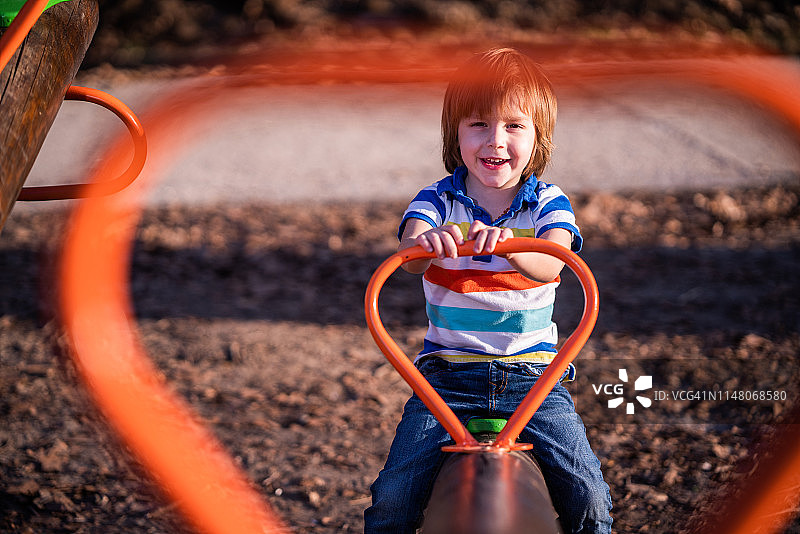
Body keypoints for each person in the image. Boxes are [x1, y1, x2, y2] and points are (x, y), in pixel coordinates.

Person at [363, 48, 613, 533]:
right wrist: (427, 246)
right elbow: (409, 252)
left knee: (588, 496)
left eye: (514, 126)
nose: (495, 140)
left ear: (537, 137)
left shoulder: (546, 201)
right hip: (445, 380)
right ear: (455, 136)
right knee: (392, 499)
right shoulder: (438, 198)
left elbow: (552, 261)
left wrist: (516, 246)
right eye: (478, 124)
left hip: (534, 379)